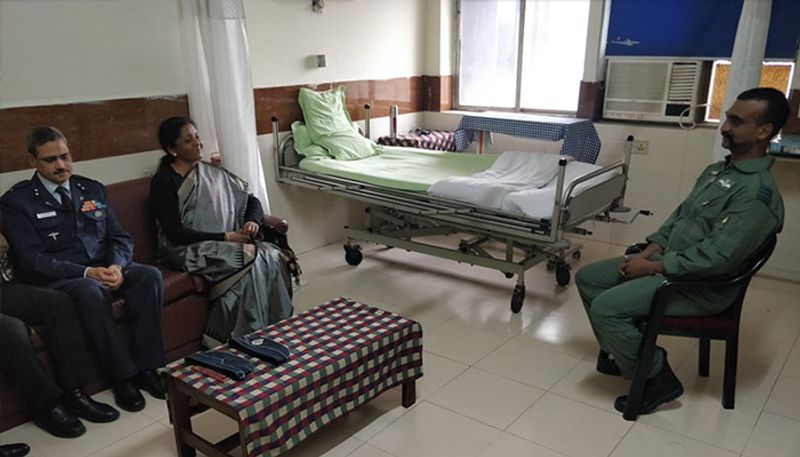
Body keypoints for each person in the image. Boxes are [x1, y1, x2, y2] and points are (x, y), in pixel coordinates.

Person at [575, 87, 788, 415]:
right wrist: (648, 253)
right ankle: (629, 353)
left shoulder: (757, 195)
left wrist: (653, 268)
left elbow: (718, 259)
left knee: (607, 308)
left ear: (764, 131)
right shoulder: (717, 171)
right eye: (727, 118)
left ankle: (657, 376)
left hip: (702, 285)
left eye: (736, 122)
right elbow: (679, 219)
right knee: (589, 278)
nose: (724, 127)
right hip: (669, 264)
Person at [0, 126, 166, 413]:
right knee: (90, 291)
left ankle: (148, 367)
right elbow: (32, 260)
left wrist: (116, 266)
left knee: (149, 276)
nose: (61, 165)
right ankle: (122, 378)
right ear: (32, 161)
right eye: (50, 160)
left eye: (65, 157)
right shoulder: (18, 202)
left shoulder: (91, 189)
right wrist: (87, 273)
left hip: (104, 267)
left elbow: (119, 237)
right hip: (60, 279)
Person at [150, 117, 293, 344]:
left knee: (271, 255)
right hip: (183, 248)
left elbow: (251, 201)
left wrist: (252, 221)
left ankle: (272, 327)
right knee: (246, 256)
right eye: (188, 140)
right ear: (172, 149)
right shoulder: (164, 181)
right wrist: (226, 236)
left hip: (222, 242)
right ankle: (233, 335)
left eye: (197, 136)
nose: (197, 143)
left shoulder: (212, 173)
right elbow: (175, 233)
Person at [1, 233, 119, 437]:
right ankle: (46, 407)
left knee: (59, 304)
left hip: (5, 287)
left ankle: (75, 393)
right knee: (13, 331)